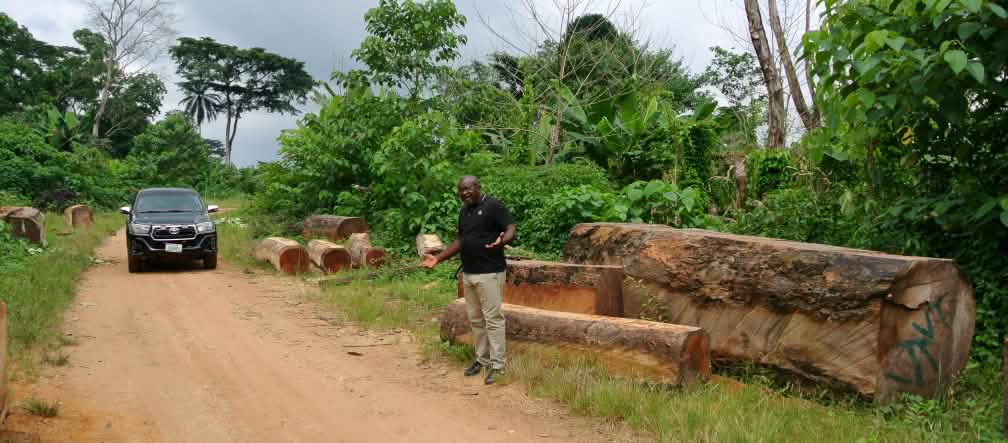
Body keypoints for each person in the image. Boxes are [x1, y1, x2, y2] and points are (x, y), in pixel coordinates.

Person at [421, 175, 516, 385]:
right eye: (461, 190)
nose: (464, 193)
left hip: (489, 272)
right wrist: (438, 258)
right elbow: (461, 240)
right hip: (469, 273)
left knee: (493, 319)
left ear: (477, 187)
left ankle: (498, 365)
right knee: (475, 319)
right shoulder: (464, 211)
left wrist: (503, 240)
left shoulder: (493, 206)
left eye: (468, 189)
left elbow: (510, 228)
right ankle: (482, 359)